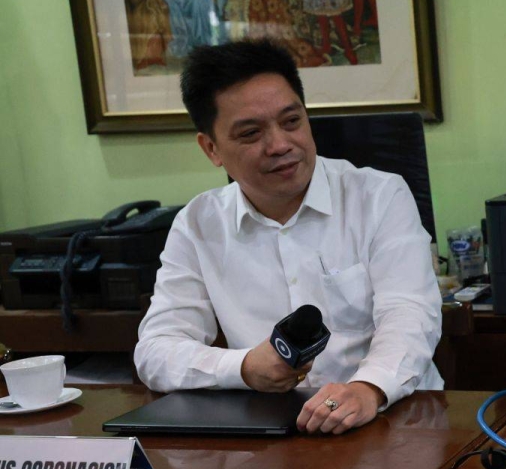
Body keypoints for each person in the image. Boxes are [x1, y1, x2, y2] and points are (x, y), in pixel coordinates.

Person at [134, 40, 443, 433]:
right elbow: (155, 351)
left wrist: (368, 388)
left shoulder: (379, 196)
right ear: (211, 148)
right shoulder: (198, 223)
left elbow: (410, 313)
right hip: (276, 434)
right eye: (251, 133)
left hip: (394, 420)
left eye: (292, 121)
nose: (280, 145)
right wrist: (244, 367)